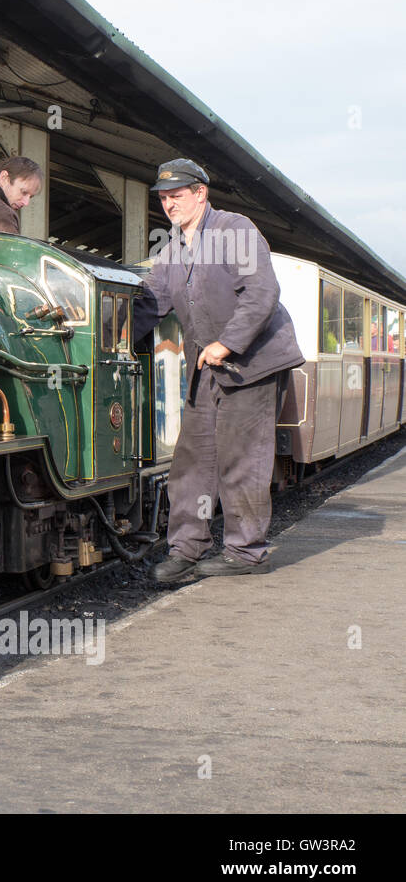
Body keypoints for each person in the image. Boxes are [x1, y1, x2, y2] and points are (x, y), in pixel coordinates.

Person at [132, 159, 304, 582]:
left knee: (241, 458)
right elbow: (149, 304)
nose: (169, 204)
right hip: (207, 367)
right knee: (192, 461)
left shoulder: (235, 229)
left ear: (200, 193)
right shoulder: (172, 251)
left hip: (253, 363)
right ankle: (187, 549)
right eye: (163, 198)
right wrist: (111, 336)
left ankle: (246, 552)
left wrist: (227, 343)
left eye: (177, 195)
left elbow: (262, 292)